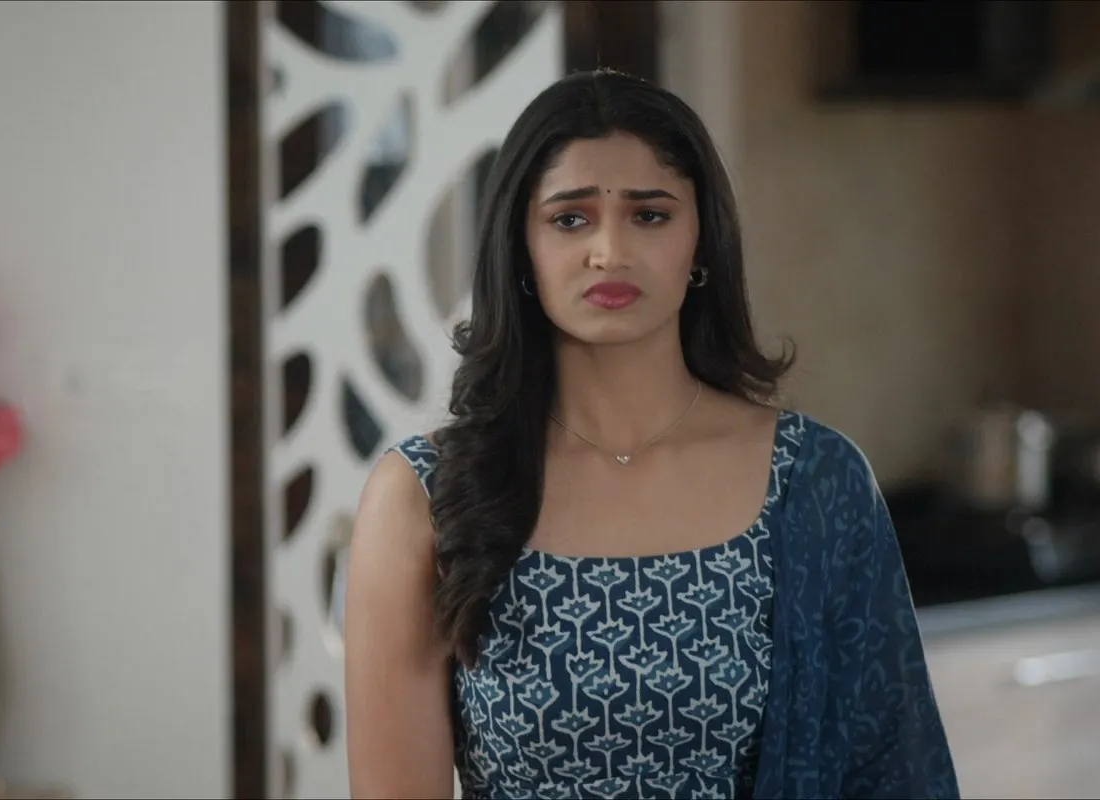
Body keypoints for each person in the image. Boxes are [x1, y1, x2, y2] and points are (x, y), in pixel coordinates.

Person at [343, 69, 958, 800]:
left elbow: (894, 773)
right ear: (520, 248)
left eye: (650, 215)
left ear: (701, 242)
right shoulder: (425, 496)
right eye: (570, 219)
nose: (610, 251)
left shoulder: (813, 482)